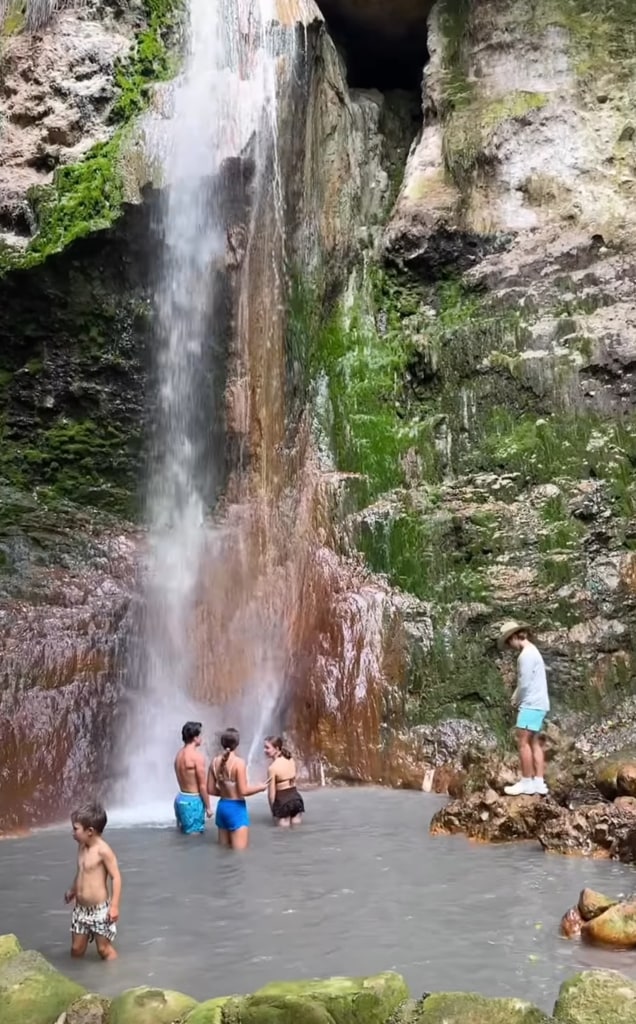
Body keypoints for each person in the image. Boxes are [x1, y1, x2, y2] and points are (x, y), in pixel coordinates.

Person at [497, 620, 550, 796]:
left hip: (531, 704)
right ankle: (539, 783)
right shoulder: (533, 651)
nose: (510, 647)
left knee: (522, 742)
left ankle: (527, 782)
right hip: (540, 703)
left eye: (508, 642)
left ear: (513, 637)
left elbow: (525, 684)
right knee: (535, 742)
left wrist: (516, 700)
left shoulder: (525, 655)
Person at [64, 802, 121, 961]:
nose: (72, 833)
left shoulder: (103, 851)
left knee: (103, 949)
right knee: (76, 949)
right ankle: (76, 980)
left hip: (99, 911)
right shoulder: (81, 846)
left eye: (75, 829)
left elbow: (116, 877)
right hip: (81, 909)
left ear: (90, 831)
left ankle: (117, 978)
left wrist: (114, 906)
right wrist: (73, 890)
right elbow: (81, 872)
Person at [207, 727, 267, 850]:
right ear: (237, 744)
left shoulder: (214, 762)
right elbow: (243, 791)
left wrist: (226, 792)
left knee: (223, 852)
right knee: (239, 856)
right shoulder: (239, 763)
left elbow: (210, 790)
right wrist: (260, 788)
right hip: (236, 809)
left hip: (222, 808)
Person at [174, 721, 212, 834]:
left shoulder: (178, 755)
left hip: (180, 799)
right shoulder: (197, 757)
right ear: (195, 738)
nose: (202, 738)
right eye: (200, 735)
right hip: (193, 801)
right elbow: (202, 786)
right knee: (194, 841)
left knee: (182, 835)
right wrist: (209, 807)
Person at [264, 736, 305, 827]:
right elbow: (294, 779)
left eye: (267, 747)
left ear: (277, 748)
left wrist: (274, 812)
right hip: (296, 800)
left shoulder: (272, 768)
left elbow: (271, 794)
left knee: (282, 835)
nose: (264, 750)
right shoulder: (290, 759)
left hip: (282, 802)